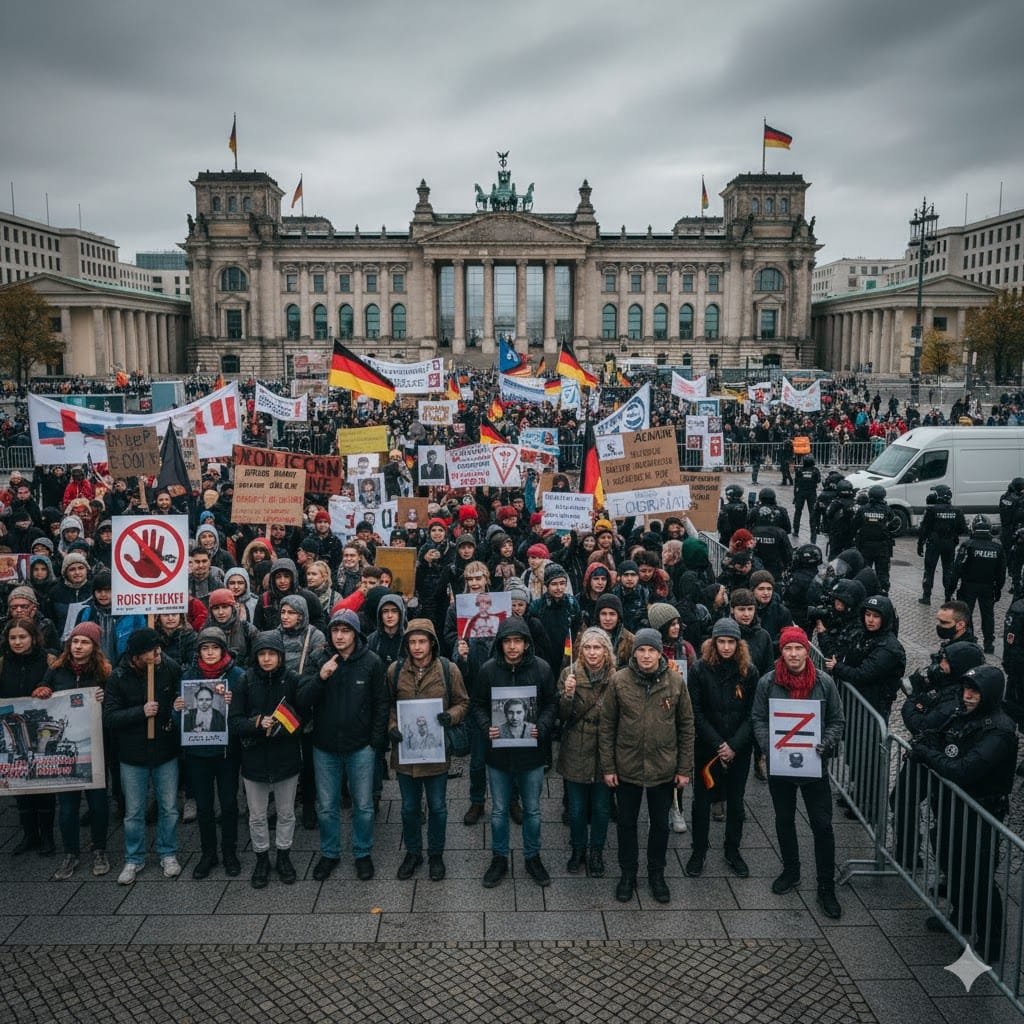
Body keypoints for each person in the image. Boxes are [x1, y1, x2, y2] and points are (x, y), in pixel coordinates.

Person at [909, 665, 1017, 963]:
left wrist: (927, 755)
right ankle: (961, 915)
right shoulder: (964, 714)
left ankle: (991, 941)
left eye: (975, 692)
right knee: (951, 860)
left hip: (981, 810)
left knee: (978, 876)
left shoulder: (999, 729)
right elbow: (940, 738)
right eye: (966, 690)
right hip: (954, 807)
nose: (968, 697)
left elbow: (964, 770)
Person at [751, 626, 846, 919]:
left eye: (798, 649)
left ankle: (825, 886)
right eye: (788, 649)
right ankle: (791, 871)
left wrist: (826, 743)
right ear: (782, 651)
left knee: (822, 826)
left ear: (807, 651)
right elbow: (758, 717)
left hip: (814, 766)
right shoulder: (768, 682)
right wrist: (770, 746)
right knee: (784, 820)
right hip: (782, 766)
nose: (793, 654)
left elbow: (836, 720)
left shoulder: (824, 682)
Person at [599, 626, 694, 904]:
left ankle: (657, 873)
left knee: (660, 826)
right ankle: (627, 873)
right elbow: (607, 726)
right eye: (641, 650)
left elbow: (686, 726)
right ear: (635, 652)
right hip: (626, 766)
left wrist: (684, 768)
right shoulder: (619, 681)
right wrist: (608, 767)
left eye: (651, 650)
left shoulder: (675, 682)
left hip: (663, 767)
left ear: (659, 652)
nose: (646, 655)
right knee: (627, 823)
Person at [300, 608, 388, 882]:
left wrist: (375, 741)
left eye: (345, 630)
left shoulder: (371, 662)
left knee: (363, 805)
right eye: (335, 631)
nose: (339, 636)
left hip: (360, 746)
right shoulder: (318, 659)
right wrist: (321, 677)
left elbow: (381, 703)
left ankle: (362, 853)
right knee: (327, 805)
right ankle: (330, 853)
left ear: (356, 634)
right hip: (325, 746)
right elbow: (302, 699)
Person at [472, 616, 557, 889]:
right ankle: (499, 858)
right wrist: (487, 726)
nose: (512, 647)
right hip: (498, 755)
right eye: (507, 641)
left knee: (532, 810)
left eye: (517, 641)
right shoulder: (487, 671)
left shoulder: (542, 669)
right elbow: (478, 705)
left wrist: (542, 726)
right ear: (500, 643)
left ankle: (532, 856)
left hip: (531, 754)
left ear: (526, 643)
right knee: (498, 811)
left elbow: (551, 704)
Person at [387, 619, 469, 882]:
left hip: (436, 753)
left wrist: (451, 716)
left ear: (432, 643)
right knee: (409, 808)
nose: (417, 647)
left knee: (437, 807)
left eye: (422, 641)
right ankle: (413, 853)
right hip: (406, 754)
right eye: (412, 642)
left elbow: (463, 702)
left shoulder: (448, 669)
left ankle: (436, 854)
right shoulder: (395, 670)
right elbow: (388, 705)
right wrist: (392, 726)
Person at [103, 627, 183, 885]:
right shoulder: (118, 677)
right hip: (132, 754)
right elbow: (110, 717)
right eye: (150, 650)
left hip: (165, 750)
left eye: (158, 648)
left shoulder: (169, 667)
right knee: (134, 811)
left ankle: (167, 852)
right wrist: (141, 711)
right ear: (136, 656)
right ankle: (134, 857)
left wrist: (177, 707)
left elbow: (180, 698)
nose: (157, 653)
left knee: (169, 808)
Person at [229, 631, 304, 889]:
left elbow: (303, 714)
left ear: (281, 656)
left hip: (285, 756)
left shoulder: (292, 680)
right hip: (255, 758)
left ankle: (283, 855)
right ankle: (262, 857)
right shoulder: (245, 681)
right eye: (262, 654)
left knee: (286, 812)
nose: (267, 659)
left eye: (272, 654)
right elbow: (235, 721)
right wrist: (257, 723)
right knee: (257, 815)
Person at [685, 618, 759, 879]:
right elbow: (695, 711)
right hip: (708, 747)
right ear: (713, 643)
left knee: (736, 802)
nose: (726, 647)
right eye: (721, 642)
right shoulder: (699, 670)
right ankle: (698, 850)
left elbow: (753, 713)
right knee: (702, 802)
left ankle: (732, 849)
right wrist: (718, 744)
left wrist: (734, 745)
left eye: (731, 642)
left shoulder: (749, 671)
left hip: (739, 748)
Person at [43, 622, 112, 879]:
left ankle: (100, 849)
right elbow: (42, 695)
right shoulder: (56, 671)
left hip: (95, 746)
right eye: (75, 642)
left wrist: (105, 700)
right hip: (64, 751)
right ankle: (70, 853)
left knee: (97, 804)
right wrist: (42, 691)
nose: (78, 647)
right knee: (68, 807)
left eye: (84, 642)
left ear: (94, 646)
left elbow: (114, 706)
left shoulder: (104, 673)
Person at [174, 626, 244, 879]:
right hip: (197, 753)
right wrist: (177, 707)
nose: (210, 653)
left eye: (215, 647)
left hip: (226, 752)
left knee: (228, 804)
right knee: (204, 806)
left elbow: (244, 710)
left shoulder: (237, 675)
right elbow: (179, 718)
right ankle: (208, 853)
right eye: (205, 648)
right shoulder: (188, 676)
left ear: (223, 649)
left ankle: (230, 852)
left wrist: (232, 702)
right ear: (199, 651)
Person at [558, 628, 616, 877]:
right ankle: (578, 849)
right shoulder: (568, 674)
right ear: (580, 651)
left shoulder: (616, 678)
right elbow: (561, 717)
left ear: (606, 651)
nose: (593, 653)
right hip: (576, 750)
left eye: (598, 647)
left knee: (602, 808)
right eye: (588, 648)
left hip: (604, 752)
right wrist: (568, 696)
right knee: (577, 809)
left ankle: (596, 851)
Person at [1, 618, 57, 856]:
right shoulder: (2, 664)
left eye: (22, 637)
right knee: (20, 786)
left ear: (33, 638)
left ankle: (47, 837)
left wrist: (47, 688)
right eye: (13, 638)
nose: (17, 642)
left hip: (40, 731)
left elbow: (60, 689)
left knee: (43, 787)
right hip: (12, 733)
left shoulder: (49, 661)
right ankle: (29, 835)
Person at [953, 514, 1005, 654]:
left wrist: (950, 589)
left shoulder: (968, 545)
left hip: (968, 586)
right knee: (988, 615)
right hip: (988, 587)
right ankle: (989, 643)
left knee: (966, 613)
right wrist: (998, 589)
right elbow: (1001, 572)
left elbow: (957, 568)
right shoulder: (997, 547)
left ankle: (969, 641)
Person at [916, 484, 966, 605]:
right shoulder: (957, 511)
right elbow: (962, 529)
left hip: (934, 543)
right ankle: (948, 596)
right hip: (950, 543)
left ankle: (926, 597)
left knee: (929, 570)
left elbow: (924, 528)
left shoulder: (931, 510)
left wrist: (920, 543)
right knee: (948, 570)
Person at [791, 455, 820, 538]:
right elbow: (818, 480)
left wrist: (795, 497)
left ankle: (796, 531)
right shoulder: (815, 470)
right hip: (811, 493)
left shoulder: (800, 470)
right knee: (812, 512)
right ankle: (813, 530)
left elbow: (796, 484)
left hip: (801, 492)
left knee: (798, 512)